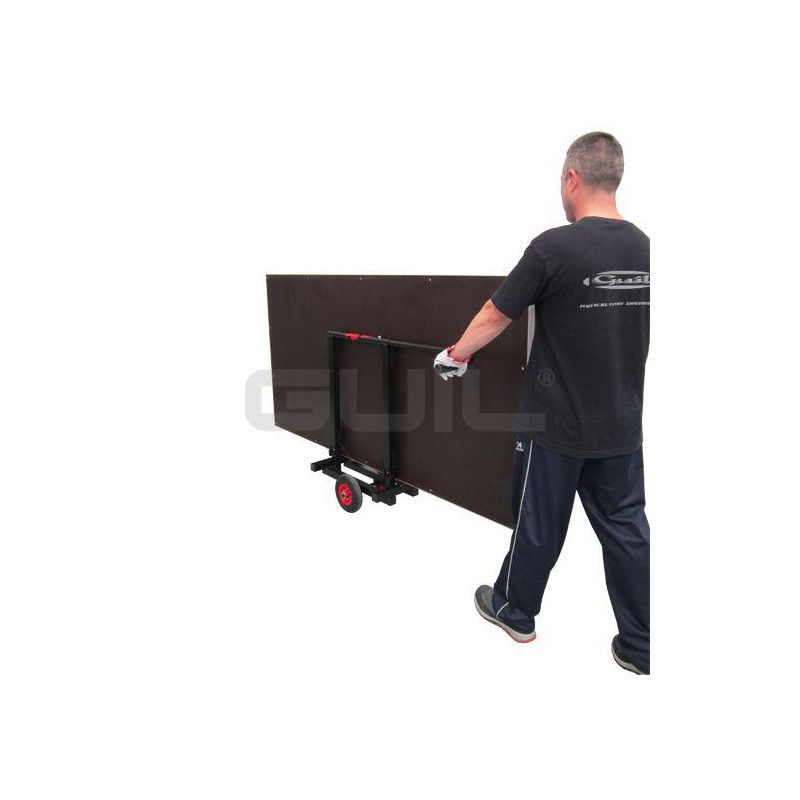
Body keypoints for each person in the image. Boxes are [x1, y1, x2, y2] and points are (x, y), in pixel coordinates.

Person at [433, 132, 650, 674]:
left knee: (538, 524)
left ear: (572, 177)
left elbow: (496, 314)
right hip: (622, 427)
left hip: (555, 427)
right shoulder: (646, 247)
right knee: (628, 532)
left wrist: (456, 355)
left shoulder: (554, 247)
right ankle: (642, 644)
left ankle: (515, 610)